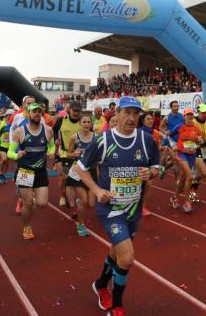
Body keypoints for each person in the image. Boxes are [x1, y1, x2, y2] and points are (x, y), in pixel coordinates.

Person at [76, 96, 159, 316]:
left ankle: (101, 284)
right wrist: (96, 190)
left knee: (116, 252)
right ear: (117, 114)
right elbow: (80, 168)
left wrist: (150, 172)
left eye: (136, 113)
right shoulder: (103, 141)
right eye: (127, 113)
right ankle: (117, 306)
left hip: (133, 209)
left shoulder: (147, 140)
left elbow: (157, 168)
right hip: (111, 210)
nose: (132, 118)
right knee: (127, 257)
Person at [7, 103, 56, 240]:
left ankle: (29, 201)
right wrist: (17, 155)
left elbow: (52, 147)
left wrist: (51, 153)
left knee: (41, 204)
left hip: (40, 171)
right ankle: (27, 227)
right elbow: (10, 152)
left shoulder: (48, 130)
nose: (37, 114)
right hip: (25, 171)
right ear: (28, 114)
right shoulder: (19, 132)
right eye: (34, 112)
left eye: (39, 112)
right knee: (28, 203)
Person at [65, 114, 97, 236]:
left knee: (91, 204)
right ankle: (81, 225)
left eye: (89, 122)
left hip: (91, 172)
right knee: (84, 201)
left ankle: (79, 201)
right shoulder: (75, 137)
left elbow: (99, 155)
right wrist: (74, 154)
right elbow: (68, 154)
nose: (87, 124)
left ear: (91, 124)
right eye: (84, 122)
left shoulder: (96, 137)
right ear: (80, 124)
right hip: (78, 172)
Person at [169, 108, 203, 213]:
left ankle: (174, 197)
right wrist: (173, 145)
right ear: (184, 116)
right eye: (187, 115)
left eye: (191, 115)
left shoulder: (197, 128)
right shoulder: (180, 126)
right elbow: (169, 136)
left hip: (191, 155)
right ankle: (187, 202)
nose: (189, 116)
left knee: (183, 178)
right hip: (181, 153)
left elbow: (199, 142)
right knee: (190, 176)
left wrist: (199, 141)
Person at [52, 100, 83, 215]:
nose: (76, 113)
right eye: (74, 111)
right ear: (69, 110)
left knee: (74, 179)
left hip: (78, 154)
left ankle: (73, 203)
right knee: (64, 177)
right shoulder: (61, 120)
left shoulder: (82, 121)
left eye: (79, 111)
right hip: (63, 153)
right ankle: (62, 195)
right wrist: (56, 139)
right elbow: (54, 129)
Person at [138, 111, 164, 217]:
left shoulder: (156, 133)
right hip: (139, 161)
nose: (150, 121)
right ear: (143, 121)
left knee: (148, 184)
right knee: (138, 185)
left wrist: (159, 162)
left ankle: (143, 206)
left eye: (151, 119)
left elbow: (157, 149)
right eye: (148, 119)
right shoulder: (138, 132)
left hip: (150, 162)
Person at [191, 104, 206, 203]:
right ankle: (190, 191)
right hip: (195, 149)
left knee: (200, 174)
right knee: (203, 172)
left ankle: (192, 191)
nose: (204, 114)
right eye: (203, 112)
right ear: (198, 112)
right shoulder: (193, 122)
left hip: (204, 150)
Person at [0, 109, 16, 184]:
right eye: (12, 116)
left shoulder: (14, 124)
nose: (14, 117)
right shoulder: (0, 122)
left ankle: (3, 175)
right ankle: (0, 173)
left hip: (10, 145)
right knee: (4, 159)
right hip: (1, 144)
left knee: (7, 162)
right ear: (8, 115)